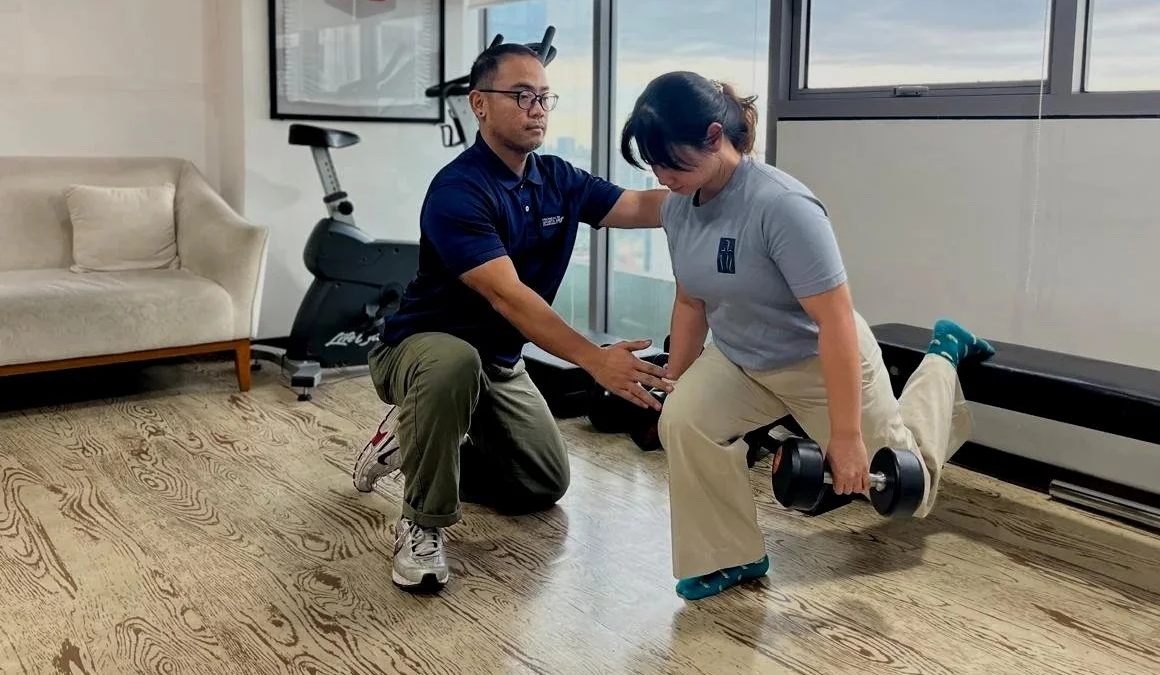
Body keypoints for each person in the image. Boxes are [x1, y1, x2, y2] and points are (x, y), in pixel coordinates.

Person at [618, 70, 996, 601]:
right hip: (741, 359)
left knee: (907, 488)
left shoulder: (781, 205)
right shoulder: (680, 205)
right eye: (652, 163)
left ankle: (943, 356)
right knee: (684, 421)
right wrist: (674, 381)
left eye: (669, 161)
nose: (662, 176)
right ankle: (731, 557)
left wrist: (846, 436)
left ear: (713, 135)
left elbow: (834, 321)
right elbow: (691, 300)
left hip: (817, 359)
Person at [352, 39, 671, 591]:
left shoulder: (558, 179)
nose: (537, 109)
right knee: (453, 363)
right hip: (423, 349)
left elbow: (640, 205)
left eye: (544, 97)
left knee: (541, 483)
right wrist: (594, 360)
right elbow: (509, 298)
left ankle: (414, 438)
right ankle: (422, 523)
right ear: (479, 103)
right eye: (522, 95)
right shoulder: (458, 191)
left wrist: (718, 186)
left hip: (499, 363)